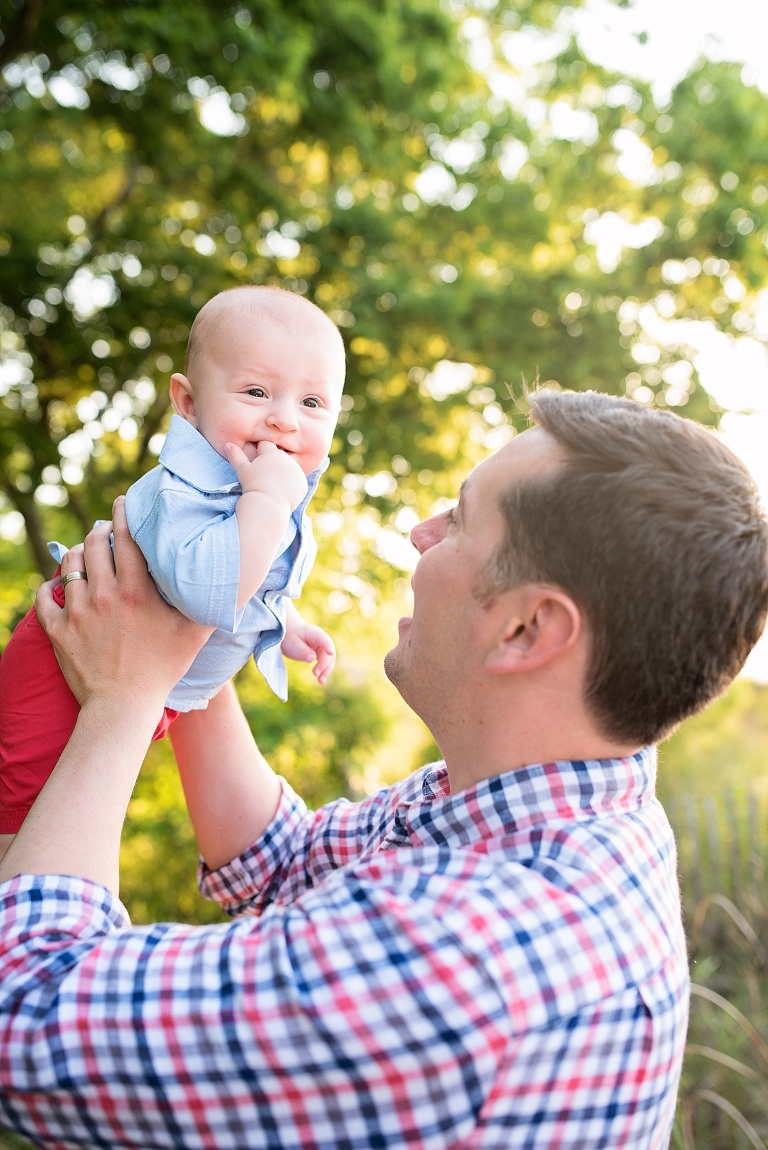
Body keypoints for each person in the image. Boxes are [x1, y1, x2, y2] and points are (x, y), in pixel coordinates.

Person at [1, 389, 767, 1150]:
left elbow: (22, 1016)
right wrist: (196, 617)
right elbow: (278, 862)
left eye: (460, 521)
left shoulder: (461, 959)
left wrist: (123, 702)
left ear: (527, 627)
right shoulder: (555, 808)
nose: (419, 531)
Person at [0, 284, 344, 862]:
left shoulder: (256, 489)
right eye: (257, 392)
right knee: (22, 815)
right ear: (187, 403)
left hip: (138, 684)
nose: (285, 420)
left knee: (65, 813)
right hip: (60, 667)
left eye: (312, 404)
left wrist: (283, 621)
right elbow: (206, 590)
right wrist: (265, 504)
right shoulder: (189, 488)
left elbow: (248, 583)